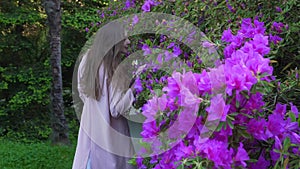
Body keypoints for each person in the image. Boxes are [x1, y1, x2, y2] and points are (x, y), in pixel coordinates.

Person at [72, 21, 137, 169]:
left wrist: (97, 106)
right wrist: (134, 87)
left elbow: (82, 91)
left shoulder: (88, 60)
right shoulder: (114, 68)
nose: (128, 42)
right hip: (111, 138)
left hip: (91, 131)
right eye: (124, 38)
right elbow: (115, 109)